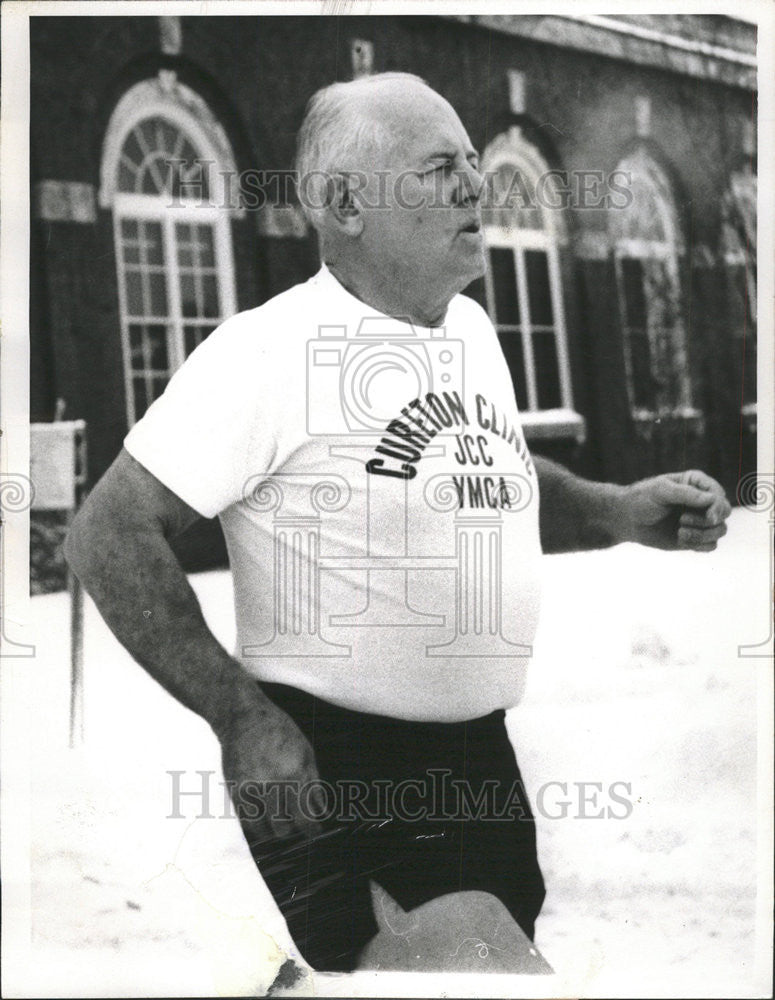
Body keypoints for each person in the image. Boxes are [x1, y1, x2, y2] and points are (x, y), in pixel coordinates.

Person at [65, 72, 731, 975]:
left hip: (477, 757)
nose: (474, 185)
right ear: (343, 202)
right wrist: (241, 718)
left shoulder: (469, 336)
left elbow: (483, 477)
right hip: (340, 767)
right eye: (436, 168)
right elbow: (108, 533)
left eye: (470, 162)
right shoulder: (267, 351)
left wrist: (615, 510)